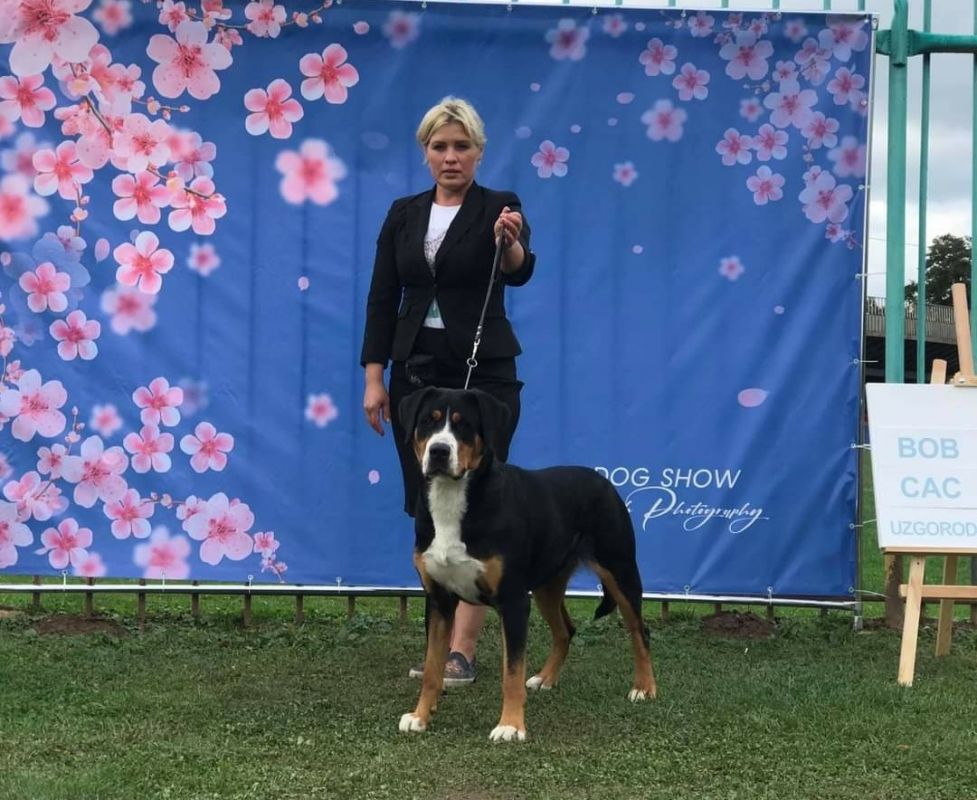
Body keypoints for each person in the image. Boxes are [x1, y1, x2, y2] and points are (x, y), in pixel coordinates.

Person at [360, 96, 535, 686]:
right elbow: (382, 296)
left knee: (483, 504)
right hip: (416, 375)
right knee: (427, 502)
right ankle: (440, 640)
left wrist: (510, 241)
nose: (451, 156)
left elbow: (519, 267)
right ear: (426, 153)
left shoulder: (501, 205)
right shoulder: (403, 213)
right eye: (440, 147)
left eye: (462, 146)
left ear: (479, 152)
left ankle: (463, 650)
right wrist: (375, 377)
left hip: (484, 376)